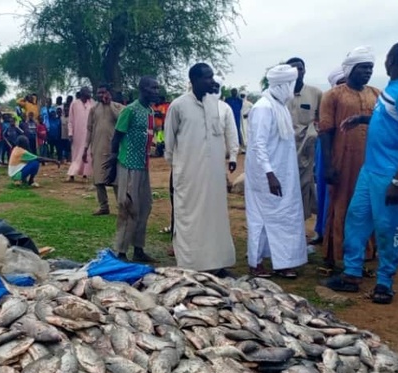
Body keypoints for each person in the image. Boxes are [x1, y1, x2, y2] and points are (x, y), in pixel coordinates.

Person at [325, 42, 398, 305]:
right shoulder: (393, 86)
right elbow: (391, 120)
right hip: (370, 169)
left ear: (391, 60)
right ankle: (351, 274)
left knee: (386, 227)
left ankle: (384, 283)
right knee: (357, 218)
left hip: (390, 173)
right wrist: (362, 119)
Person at [163, 63, 237, 277]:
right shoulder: (178, 106)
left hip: (213, 176)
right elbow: (169, 145)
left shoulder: (217, 106)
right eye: (207, 77)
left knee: (215, 218)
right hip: (189, 175)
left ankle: (218, 263)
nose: (212, 81)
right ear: (194, 80)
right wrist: (182, 168)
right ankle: (191, 265)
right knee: (189, 217)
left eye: (212, 77)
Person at [319, 46, 380, 268]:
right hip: (342, 160)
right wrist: (328, 166)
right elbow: (325, 131)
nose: (368, 72)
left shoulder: (376, 94)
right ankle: (335, 253)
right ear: (351, 69)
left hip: (370, 161)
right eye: (363, 67)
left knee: (367, 206)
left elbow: (385, 124)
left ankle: (365, 252)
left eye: (370, 68)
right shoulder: (333, 95)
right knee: (341, 204)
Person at [245, 64, 308, 278]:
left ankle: (283, 262)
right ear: (283, 85)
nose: (293, 88)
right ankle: (256, 262)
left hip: (283, 172)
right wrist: (269, 174)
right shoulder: (263, 107)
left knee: (284, 216)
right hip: (266, 175)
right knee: (262, 218)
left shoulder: (279, 105)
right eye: (291, 83)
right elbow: (258, 144)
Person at [110, 76, 159, 263]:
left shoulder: (150, 112)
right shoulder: (129, 110)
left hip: (143, 166)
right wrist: (113, 165)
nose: (156, 91)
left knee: (145, 206)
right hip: (128, 164)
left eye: (157, 88)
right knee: (128, 206)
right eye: (153, 88)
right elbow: (116, 137)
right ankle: (121, 251)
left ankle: (138, 248)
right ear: (143, 89)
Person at [285, 57, 323, 226]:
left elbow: (321, 120)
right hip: (284, 148)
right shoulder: (281, 94)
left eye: (299, 68)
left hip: (306, 149)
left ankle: (299, 227)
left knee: (304, 186)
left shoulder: (316, 93)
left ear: (304, 70)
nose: (296, 72)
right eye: (292, 69)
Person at [312, 68, 347, 244]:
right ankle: (323, 230)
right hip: (327, 148)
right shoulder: (328, 99)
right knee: (324, 190)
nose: (344, 86)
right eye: (341, 83)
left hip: (349, 150)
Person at [85, 83, 125, 216]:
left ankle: (121, 207)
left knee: (116, 179)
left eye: (103, 92)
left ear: (109, 93)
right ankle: (104, 206)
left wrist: (110, 105)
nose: (101, 95)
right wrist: (85, 148)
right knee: (98, 179)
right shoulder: (93, 109)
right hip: (97, 148)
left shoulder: (118, 107)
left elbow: (121, 120)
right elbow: (89, 130)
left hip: (114, 149)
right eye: (99, 93)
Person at [67, 87, 94, 181]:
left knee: (87, 154)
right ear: (82, 93)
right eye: (88, 92)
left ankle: (85, 174)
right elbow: (70, 120)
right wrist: (70, 133)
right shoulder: (74, 104)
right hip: (77, 134)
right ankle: (72, 174)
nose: (90, 94)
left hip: (89, 133)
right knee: (76, 154)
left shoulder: (92, 103)